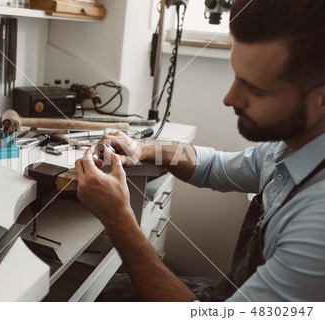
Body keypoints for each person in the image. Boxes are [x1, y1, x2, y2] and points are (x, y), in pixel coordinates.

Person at [75, 0, 325, 302]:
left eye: (255, 90)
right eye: (235, 76)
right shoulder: (290, 147)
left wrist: (118, 219)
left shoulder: (316, 225)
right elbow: (215, 166)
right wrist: (144, 148)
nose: (230, 98)